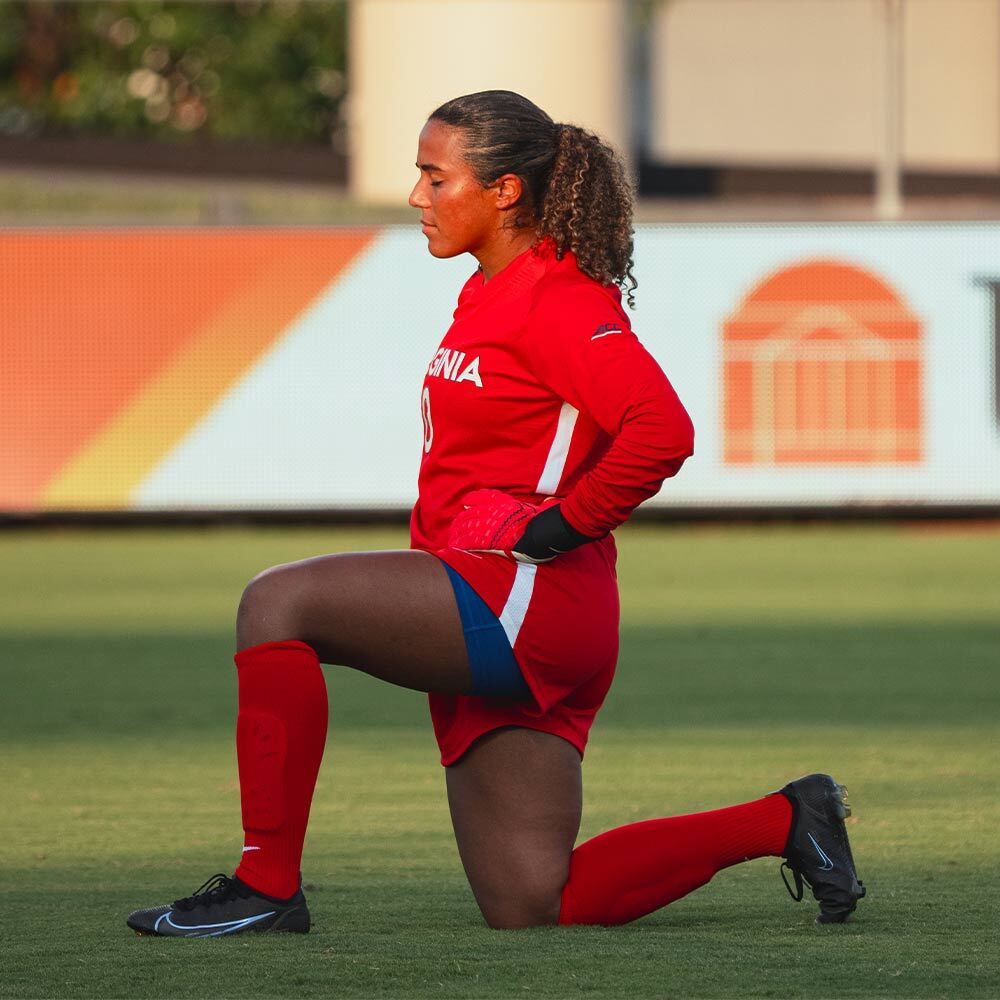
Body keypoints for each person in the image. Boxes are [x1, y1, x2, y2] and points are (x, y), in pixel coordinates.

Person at [126, 90, 864, 938]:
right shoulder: (492, 290)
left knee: (276, 603)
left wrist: (560, 524)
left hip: (525, 599)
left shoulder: (557, 299)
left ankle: (265, 887)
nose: (417, 196)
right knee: (533, 903)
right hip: (503, 606)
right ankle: (787, 820)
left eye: (436, 178)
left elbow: (662, 429)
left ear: (506, 190)